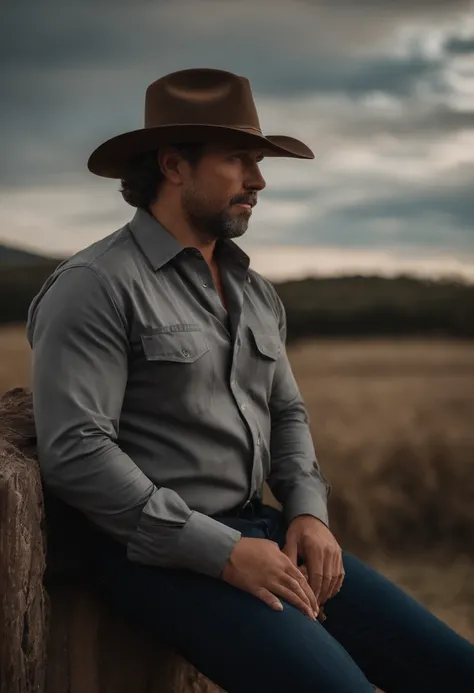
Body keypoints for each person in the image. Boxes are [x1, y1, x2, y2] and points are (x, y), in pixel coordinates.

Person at [26, 68, 474, 693]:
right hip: (158, 554)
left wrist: (310, 514)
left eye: (259, 162)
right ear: (174, 165)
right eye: (239, 160)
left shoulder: (254, 291)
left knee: (456, 672)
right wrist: (221, 551)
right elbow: (76, 451)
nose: (259, 181)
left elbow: (287, 412)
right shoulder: (95, 285)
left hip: (266, 531)